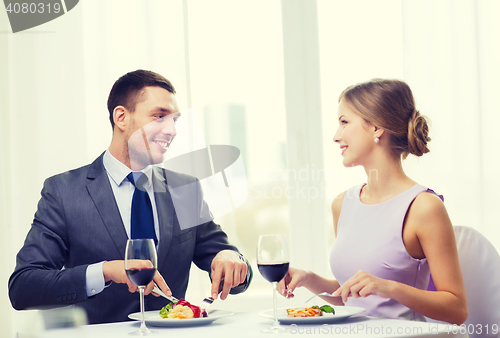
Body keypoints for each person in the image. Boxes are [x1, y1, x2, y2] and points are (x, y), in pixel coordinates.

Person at [8, 69, 253, 324]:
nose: (172, 130)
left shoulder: (185, 189)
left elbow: (229, 270)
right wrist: (106, 271)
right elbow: (23, 288)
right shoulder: (63, 192)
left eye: (175, 121)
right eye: (159, 117)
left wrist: (231, 259)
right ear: (122, 118)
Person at [278, 79, 468, 325]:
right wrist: (310, 279)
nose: (336, 136)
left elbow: (457, 309)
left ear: (377, 128)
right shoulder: (342, 204)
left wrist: (390, 288)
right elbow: (355, 297)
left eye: (344, 122)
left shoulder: (423, 207)